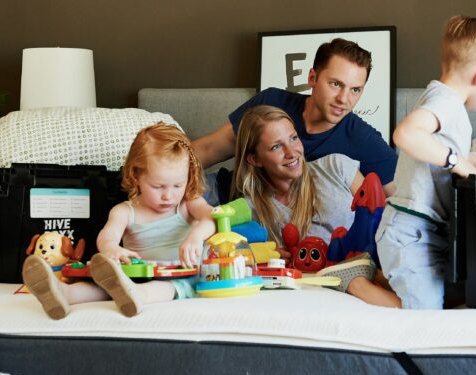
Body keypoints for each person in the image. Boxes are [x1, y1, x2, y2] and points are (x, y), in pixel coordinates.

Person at [376, 15, 476, 309]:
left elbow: (447, 152)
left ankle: (382, 275)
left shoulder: (448, 103)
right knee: (423, 314)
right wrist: (456, 162)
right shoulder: (445, 102)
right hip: (410, 231)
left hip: (427, 231)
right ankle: (357, 282)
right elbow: (405, 134)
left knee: (449, 301)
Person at [22, 123, 216, 318]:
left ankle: (138, 295)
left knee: (167, 287)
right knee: (107, 284)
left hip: (181, 275)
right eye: (158, 186)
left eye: (177, 185)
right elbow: (107, 237)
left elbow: (212, 218)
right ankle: (63, 293)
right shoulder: (124, 211)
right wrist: (112, 249)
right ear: (136, 175)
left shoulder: (188, 203)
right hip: (134, 275)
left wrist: (196, 236)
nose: (168, 195)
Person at [232, 105, 400, 308]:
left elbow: (379, 218)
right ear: (254, 159)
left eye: (293, 138)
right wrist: (264, 254)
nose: (291, 152)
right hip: (319, 291)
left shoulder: (335, 167)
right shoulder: (250, 210)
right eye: (276, 147)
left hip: (371, 266)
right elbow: (224, 250)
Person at [193, 38, 398, 197]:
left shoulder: (363, 139)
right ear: (312, 78)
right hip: (221, 197)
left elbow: (403, 197)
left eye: (355, 90)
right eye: (335, 84)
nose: (344, 99)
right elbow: (208, 149)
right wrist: (165, 174)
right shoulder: (271, 102)